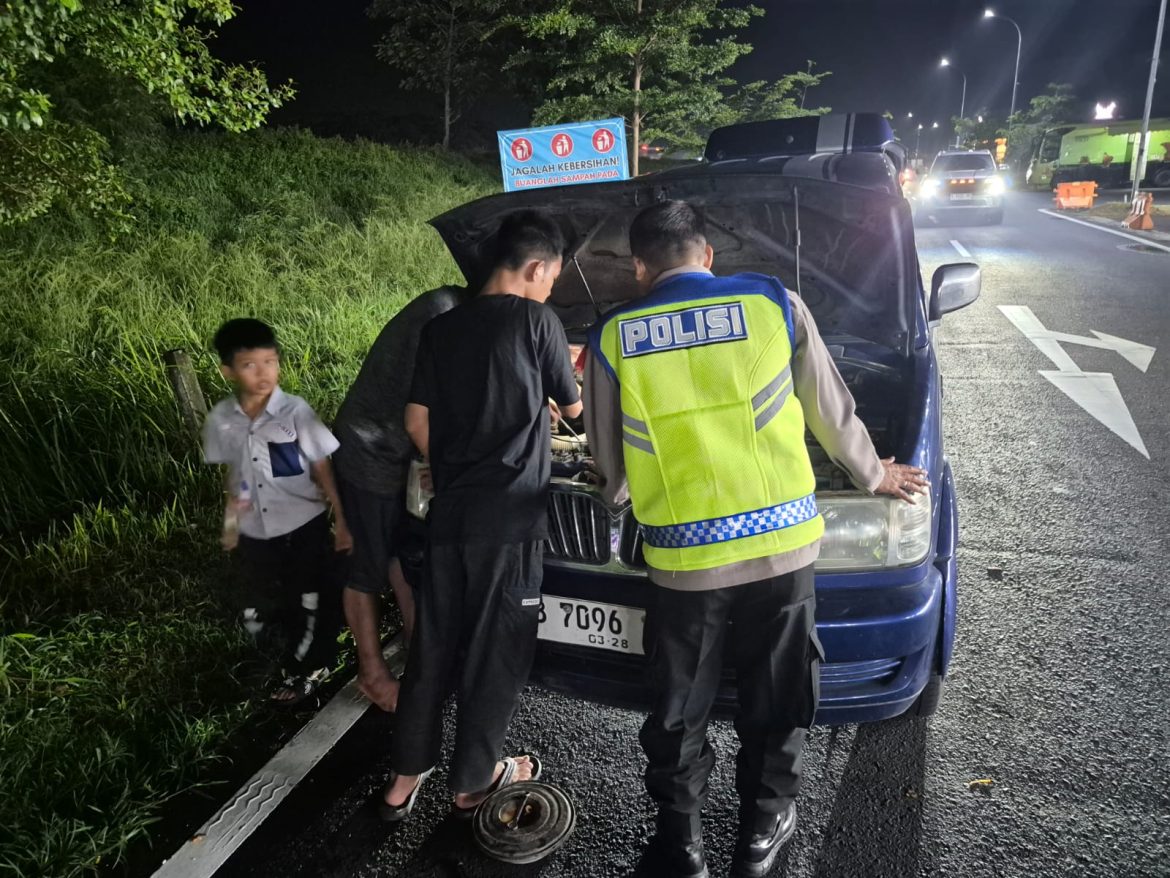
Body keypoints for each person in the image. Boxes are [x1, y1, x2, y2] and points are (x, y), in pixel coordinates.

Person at [584, 201, 928, 878]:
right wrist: (872, 472)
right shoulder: (773, 301)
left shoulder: (614, 333)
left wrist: (618, 494)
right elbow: (830, 407)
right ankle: (763, 831)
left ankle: (682, 847)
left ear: (641, 267)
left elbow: (610, 464)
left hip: (684, 562)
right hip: (783, 549)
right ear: (708, 255)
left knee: (680, 706)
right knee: (779, 694)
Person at [378, 210, 583, 821]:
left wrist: (460, 456)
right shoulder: (536, 320)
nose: (551, 290)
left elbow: (419, 423)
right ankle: (475, 780)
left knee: (433, 646)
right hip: (509, 522)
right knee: (498, 650)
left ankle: (402, 780)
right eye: (552, 279)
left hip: (448, 516)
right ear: (536, 266)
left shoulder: (443, 329)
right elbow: (575, 409)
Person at [202, 318, 352, 706]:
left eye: (270, 362)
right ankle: (285, 653)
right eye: (250, 365)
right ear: (228, 371)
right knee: (272, 595)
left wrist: (342, 521)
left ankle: (316, 663)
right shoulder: (222, 420)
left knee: (312, 592)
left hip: (303, 522)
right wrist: (231, 525)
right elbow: (233, 477)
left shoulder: (296, 412)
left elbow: (322, 467)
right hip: (256, 529)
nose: (263, 372)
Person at [332, 286, 468, 712]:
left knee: (404, 549)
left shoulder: (455, 307)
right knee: (368, 564)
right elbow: (429, 410)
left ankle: (418, 651)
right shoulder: (444, 314)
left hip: (399, 448)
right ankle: (372, 673)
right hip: (370, 447)